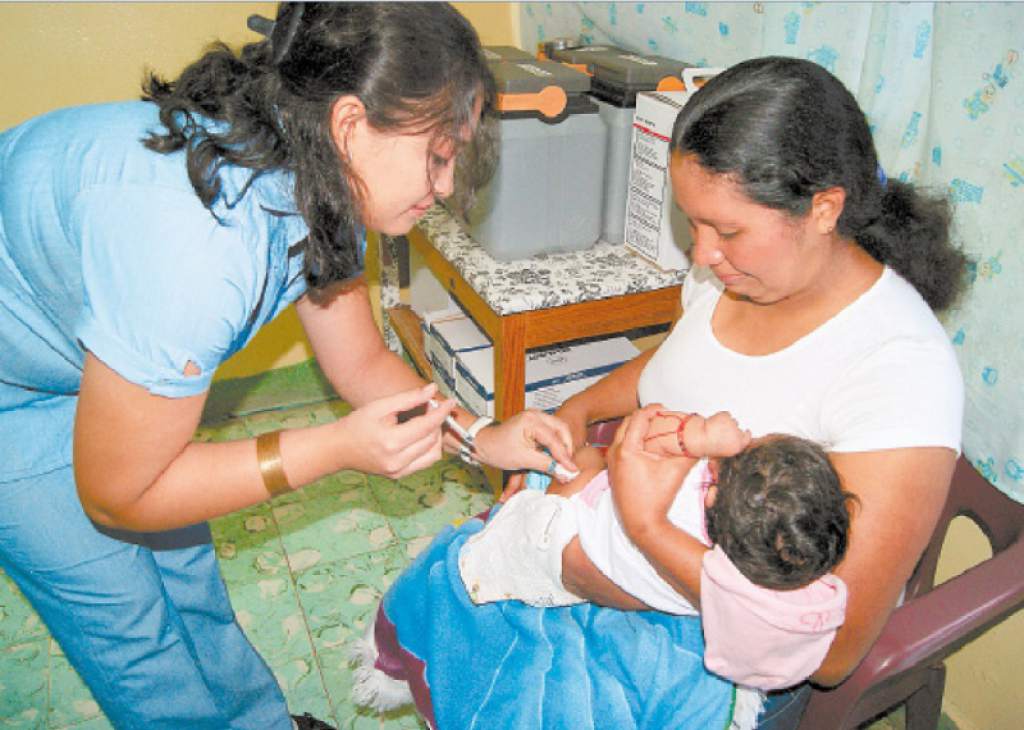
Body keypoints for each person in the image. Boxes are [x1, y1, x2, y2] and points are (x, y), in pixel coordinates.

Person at [0, 3, 576, 729]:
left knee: (186, 578)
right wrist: (333, 449)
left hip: (70, 346)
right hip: (10, 395)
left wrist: (481, 436)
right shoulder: (196, 251)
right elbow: (117, 496)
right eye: (436, 154)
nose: (445, 183)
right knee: (133, 631)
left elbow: (362, 360)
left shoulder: (316, 175)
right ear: (349, 123)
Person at [361, 55, 967, 730]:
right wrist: (577, 413)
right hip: (616, 537)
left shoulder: (900, 374)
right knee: (457, 592)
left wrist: (641, 530)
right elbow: (676, 362)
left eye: (727, 230)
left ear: (824, 208)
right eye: (692, 221)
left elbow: (827, 651)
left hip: (724, 644)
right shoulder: (732, 277)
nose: (700, 254)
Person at [459, 410, 853, 691]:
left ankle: (520, 506)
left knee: (581, 458)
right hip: (610, 577)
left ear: (712, 490)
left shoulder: (680, 496)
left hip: (564, 537)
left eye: (746, 448)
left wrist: (697, 436)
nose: (743, 439)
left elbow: (643, 430)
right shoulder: (740, 570)